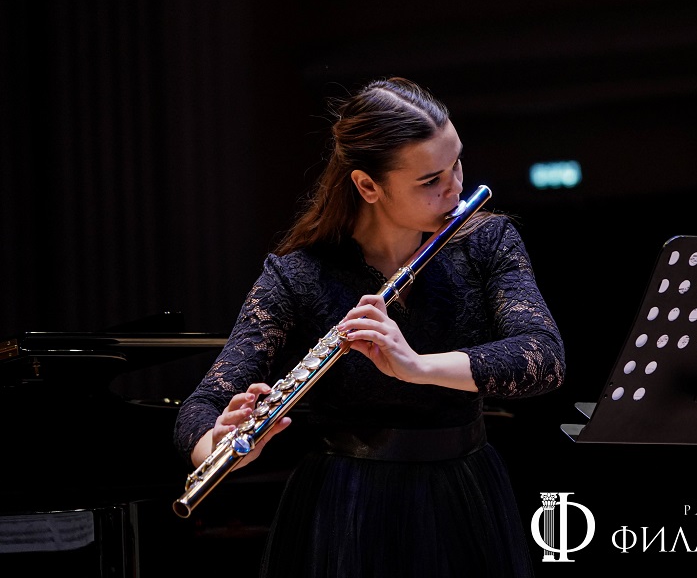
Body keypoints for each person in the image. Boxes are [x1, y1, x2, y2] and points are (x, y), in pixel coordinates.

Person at [173, 76, 566, 578]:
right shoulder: (299, 275)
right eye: (431, 180)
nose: (455, 187)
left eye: (456, 163)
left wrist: (416, 366)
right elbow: (200, 407)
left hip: (463, 495)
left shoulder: (487, 242)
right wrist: (221, 446)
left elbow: (543, 358)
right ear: (367, 186)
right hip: (346, 507)